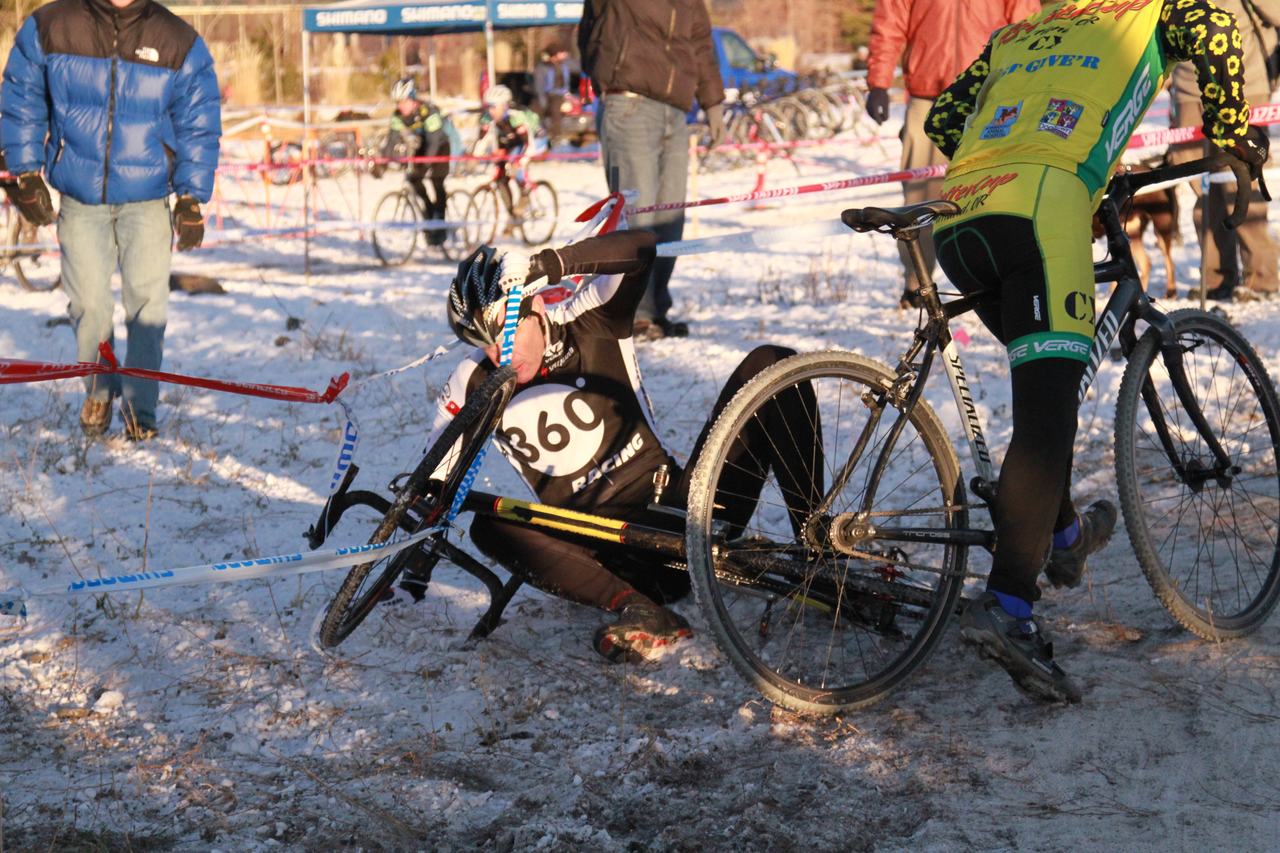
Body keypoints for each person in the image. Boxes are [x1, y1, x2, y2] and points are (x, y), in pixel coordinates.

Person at [924, 0, 1266, 702]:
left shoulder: (1024, 29)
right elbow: (1217, 31)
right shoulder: (1154, 8)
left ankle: (1067, 535)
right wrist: (1231, 133)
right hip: (1041, 207)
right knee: (1049, 420)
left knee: (1042, 395)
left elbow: (943, 117)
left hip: (961, 215)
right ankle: (1010, 608)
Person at [402, 230, 823, 663]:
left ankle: (821, 546)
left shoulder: (590, 320)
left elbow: (641, 248)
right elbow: (433, 481)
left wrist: (551, 262)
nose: (499, 354)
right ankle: (641, 613)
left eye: (505, 332)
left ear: (537, 306)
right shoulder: (472, 379)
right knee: (489, 524)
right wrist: (411, 566)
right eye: (483, 342)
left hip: (685, 512)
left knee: (772, 363)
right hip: (603, 554)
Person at [1, 0, 219, 441]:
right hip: (81, 198)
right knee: (88, 306)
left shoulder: (176, 38)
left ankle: (142, 412)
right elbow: (21, 96)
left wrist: (192, 196)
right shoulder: (52, 25)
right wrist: (24, 172)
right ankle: (98, 391)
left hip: (148, 200)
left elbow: (199, 118)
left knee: (147, 309)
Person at [865, 0, 1040, 309]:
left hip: (989, 94)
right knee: (918, 202)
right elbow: (890, 22)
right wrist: (879, 82)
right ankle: (917, 287)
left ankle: (1000, 280)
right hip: (927, 98)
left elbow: (1026, 25)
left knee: (997, 193)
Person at [578, 0, 727, 341]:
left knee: (670, 218)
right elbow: (589, 32)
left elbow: (701, 41)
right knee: (636, 216)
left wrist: (713, 102)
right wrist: (607, 68)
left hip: (674, 110)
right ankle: (632, 312)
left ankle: (655, 309)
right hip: (627, 102)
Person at [1169, 0, 1280, 301]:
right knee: (1203, 185)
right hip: (1189, 87)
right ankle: (1216, 276)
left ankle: (1262, 276)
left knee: (1244, 180)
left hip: (1244, 82)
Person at [389, 76, 451, 246]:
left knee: (436, 180)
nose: (400, 106)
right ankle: (429, 211)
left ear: (413, 100)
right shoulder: (398, 116)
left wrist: (426, 163)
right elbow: (390, 142)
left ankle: (440, 220)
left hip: (440, 145)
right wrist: (382, 163)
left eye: (404, 102)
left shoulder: (428, 112)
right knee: (414, 179)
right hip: (423, 147)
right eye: (398, 102)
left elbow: (433, 142)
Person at [478, 85, 547, 228]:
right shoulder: (487, 116)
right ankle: (513, 216)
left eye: (493, 107)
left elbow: (529, 144)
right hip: (512, 142)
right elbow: (481, 140)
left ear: (504, 106)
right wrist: (473, 156)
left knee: (514, 166)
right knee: (501, 178)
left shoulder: (516, 116)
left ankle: (525, 192)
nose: (490, 111)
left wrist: (519, 162)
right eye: (488, 107)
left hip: (534, 140)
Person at [533, 43, 580, 144]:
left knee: (556, 106)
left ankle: (556, 134)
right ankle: (540, 133)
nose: (565, 55)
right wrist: (542, 100)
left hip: (561, 94)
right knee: (537, 107)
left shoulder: (566, 64)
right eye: (562, 53)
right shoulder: (543, 67)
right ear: (555, 54)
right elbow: (539, 85)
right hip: (547, 94)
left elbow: (579, 67)